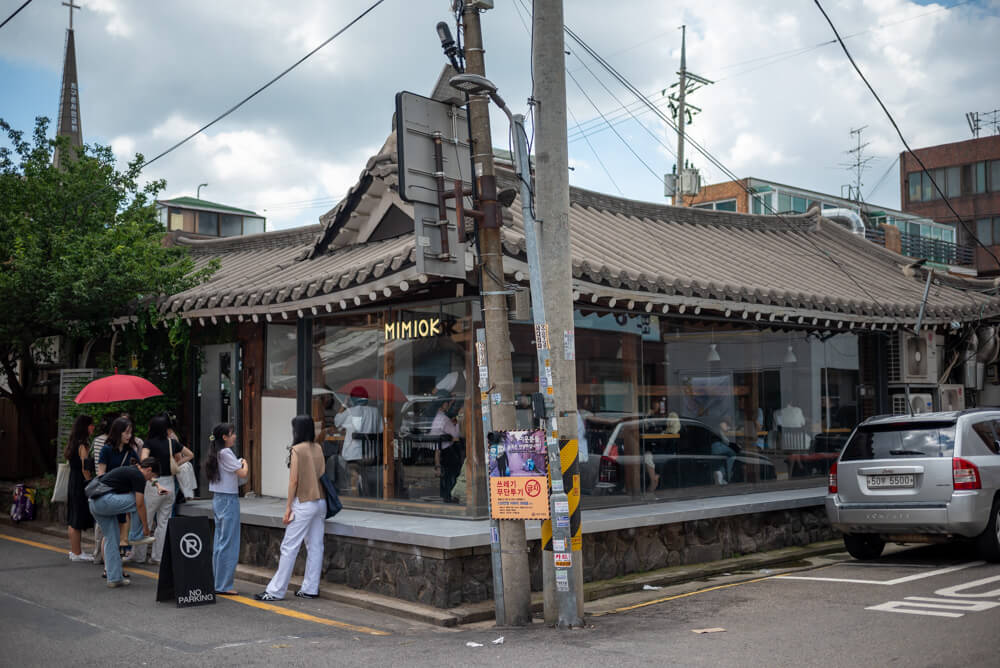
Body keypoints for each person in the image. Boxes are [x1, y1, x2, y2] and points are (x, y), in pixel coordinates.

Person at [255, 416, 326, 601]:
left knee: (289, 547)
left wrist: (288, 507)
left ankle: (275, 591)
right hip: (321, 501)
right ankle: (310, 588)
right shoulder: (318, 447)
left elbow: (293, 481)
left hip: (304, 501)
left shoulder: (296, 450)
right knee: (316, 546)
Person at [87, 458, 162, 588]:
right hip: (103, 500)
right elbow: (139, 505)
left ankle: (114, 578)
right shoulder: (138, 476)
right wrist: (145, 527)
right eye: (152, 476)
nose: (150, 480)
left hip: (94, 503)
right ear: (149, 470)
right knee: (137, 500)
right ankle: (136, 535)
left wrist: (157, 485)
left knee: (112, 539)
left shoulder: (132, 470)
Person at [134, 414, 194, 564]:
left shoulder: (149, 443)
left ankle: (139, 555)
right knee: (163, 522)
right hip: (169, 484)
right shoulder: (172, 442)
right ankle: (157, 556)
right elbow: (190, 455)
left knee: (145, 519)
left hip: (154, 483)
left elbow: (143, 461)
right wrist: (175, 464)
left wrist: (152, 466)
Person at [206, 422, 248, 596]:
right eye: (232, 433)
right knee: (228, 543)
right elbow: (242, 474)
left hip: (218, 498)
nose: (235, 436)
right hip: (228, 499)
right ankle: (224, 585)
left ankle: (217, 581)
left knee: (219, 542)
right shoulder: (226, 453)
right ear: (224, 437)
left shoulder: (217, 452)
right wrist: (245, 463)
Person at [97, 416, 141, 563]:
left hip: (122, 496)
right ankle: (107, 568)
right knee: (110, 533)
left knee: (120, 533)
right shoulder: (107, 450)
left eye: (130, 433)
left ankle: (115, 567)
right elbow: (101, 474)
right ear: (118, 432)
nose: (129, 436)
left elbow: (139, 469)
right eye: (126, 433)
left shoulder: (130, 452)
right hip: (109, 495)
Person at [334, 386, 382, 496]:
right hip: (371, 456)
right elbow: (381, 430)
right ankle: (362, 485)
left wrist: (344, 404)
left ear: (352, 399)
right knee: (362, 471)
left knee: (336, 460)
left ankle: (355, 487)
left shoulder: (350, 411)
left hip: (353, 456)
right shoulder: (376, 412)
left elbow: (336, 422)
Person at [89, 410, 120, 564]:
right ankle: (106, 556)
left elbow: (93, 460)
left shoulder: (96, 440)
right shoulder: (111, 444)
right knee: (109, 524)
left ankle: (97, 553)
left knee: (100, 522)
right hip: (109, 482)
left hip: (98, 481)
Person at [65, 414, 95, 562]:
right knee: (76, 517)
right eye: (91, 425)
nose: (93, 427)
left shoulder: (73, 442)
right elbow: (85, 468)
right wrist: (90, 482)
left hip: (73, 481)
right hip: (80, 482)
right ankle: (77, 553)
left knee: (72, 516)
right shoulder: (83, 445)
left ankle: (74, 551)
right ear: (85, 427)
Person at [429, 392, 463, 503]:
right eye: (448, 403)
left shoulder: (436, 418)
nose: (449, 405)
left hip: (439, 450)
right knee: (451, 475)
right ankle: (450, 497)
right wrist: (457, 423)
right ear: (444, 405)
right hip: (447, 451)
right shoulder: (444, 420)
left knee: (446, 476)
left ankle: (445, 496)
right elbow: (456, 435)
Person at [710, 420, 738, 485]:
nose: (725, 425)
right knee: (733, 453)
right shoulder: (719, 430)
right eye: (724, 424)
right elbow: (725, 440)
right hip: (717, 447)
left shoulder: (714, 429)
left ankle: (720, 476)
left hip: (713, 448)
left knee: (723, 459)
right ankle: (727, 475)